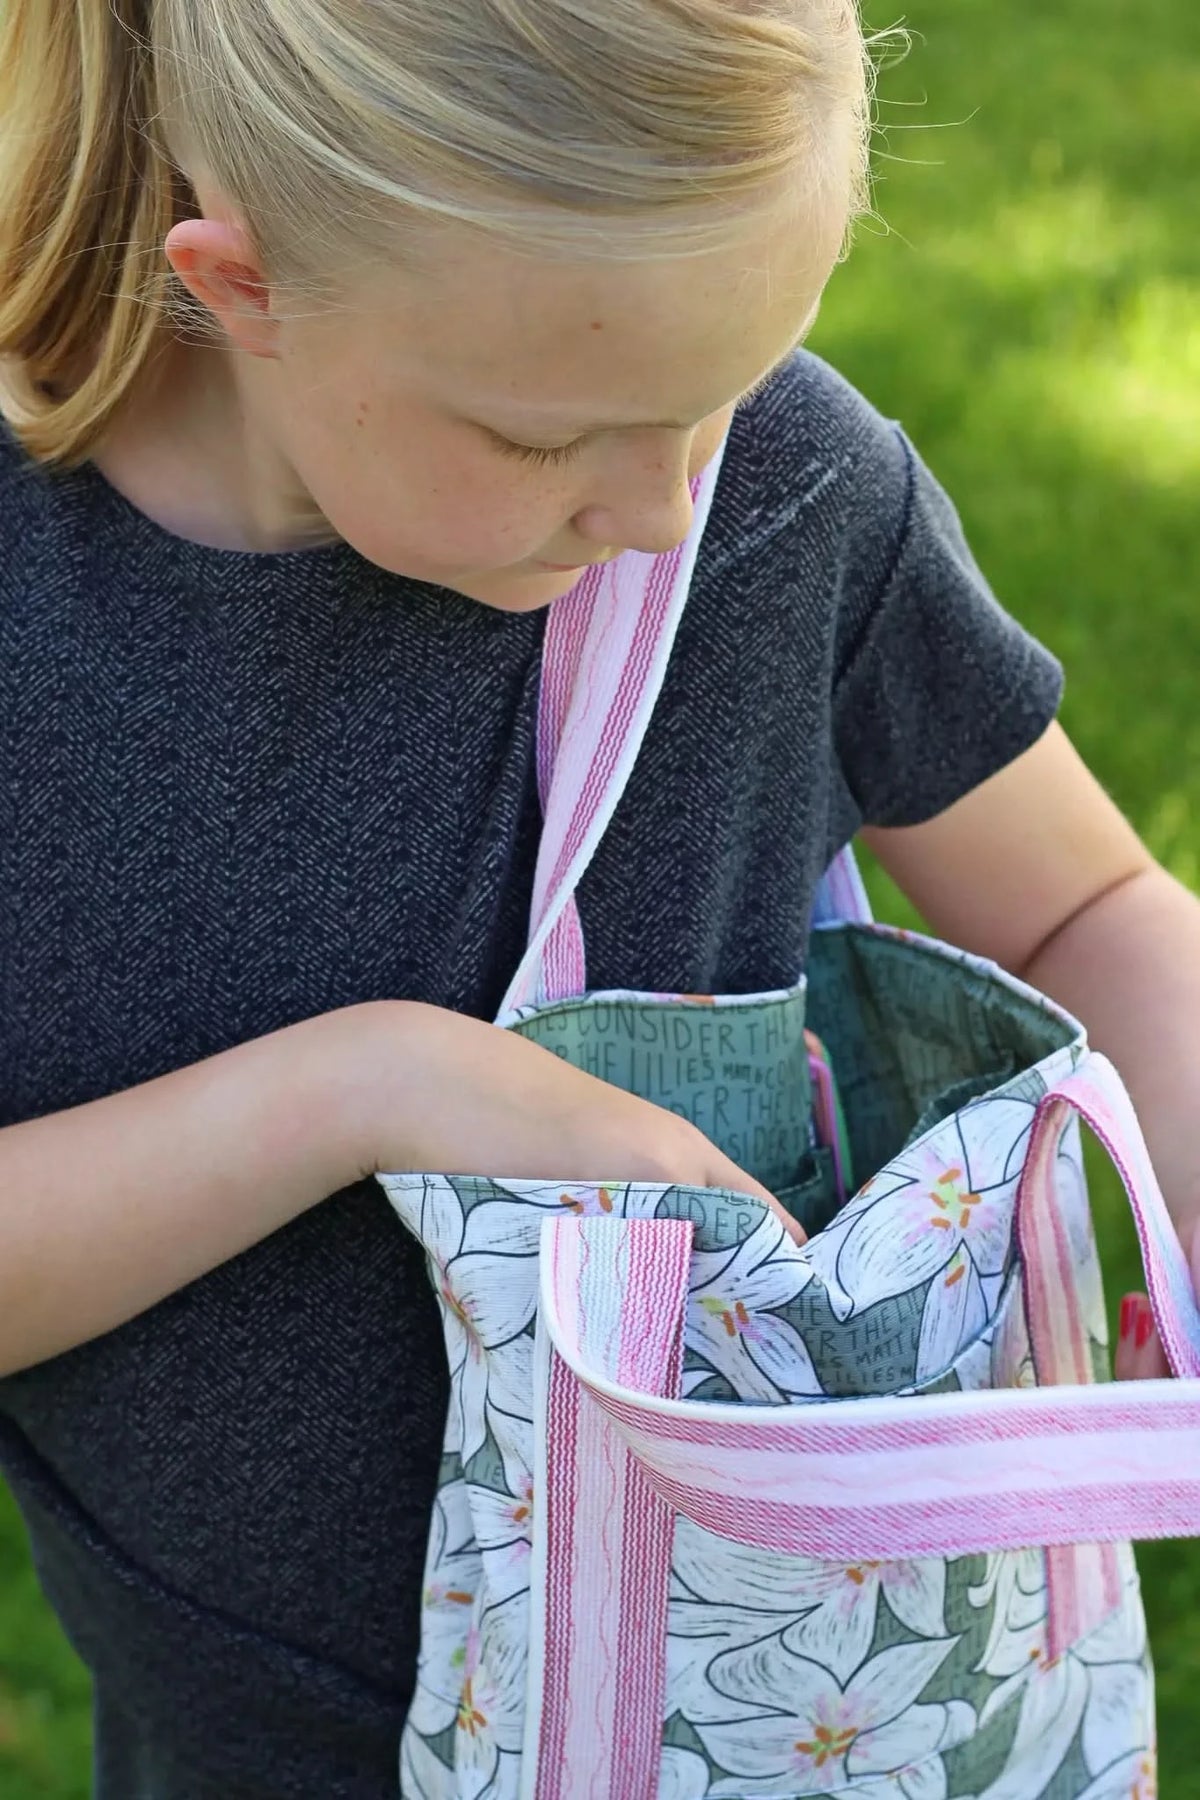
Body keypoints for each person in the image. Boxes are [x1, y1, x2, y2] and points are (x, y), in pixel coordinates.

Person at [0, 1, 1192, 1794]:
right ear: (243, 288)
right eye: (545, 437)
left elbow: (1087, 905)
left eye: (715, 396)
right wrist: (366, 1089)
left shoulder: (781, 504)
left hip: (783, 1720)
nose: (657, 511)